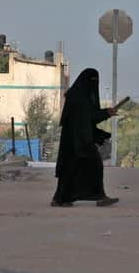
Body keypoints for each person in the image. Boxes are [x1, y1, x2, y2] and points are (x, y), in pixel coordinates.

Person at [51, 68, 120, 207]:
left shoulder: (76, 95)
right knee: (95, 166)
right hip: (80, 140)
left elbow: (89, 117)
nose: (95, 84)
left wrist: (106, 112)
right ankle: (100, 197)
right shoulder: (80, 98)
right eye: (93, 81)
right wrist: (106, 113)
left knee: (70, 169)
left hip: (73, 139)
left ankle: (60, 199)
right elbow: (88, 117)